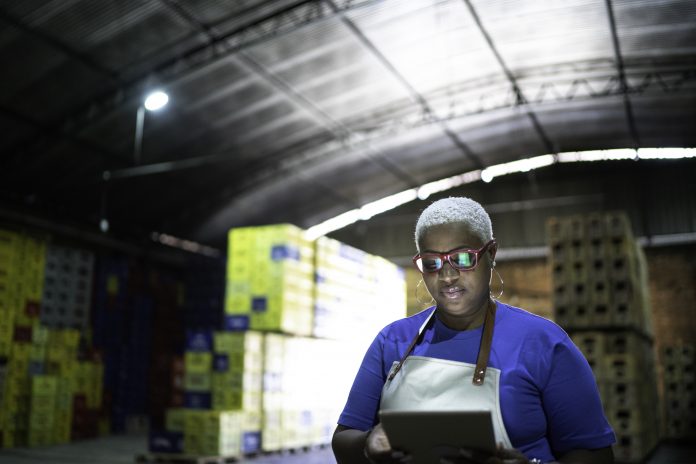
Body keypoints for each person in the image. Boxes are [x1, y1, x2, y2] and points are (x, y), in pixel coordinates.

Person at [332, 197, 615, 464]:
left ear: (491, 253)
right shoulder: (392, 341)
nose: (447, 276)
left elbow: (597, 457)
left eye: (464, 258)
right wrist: (370, 443)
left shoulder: (543, 344)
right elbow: (343, 440)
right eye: (432, 263)